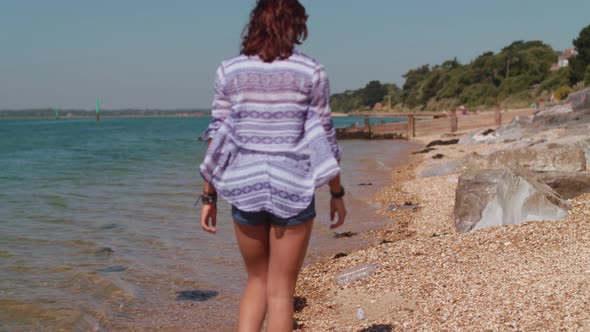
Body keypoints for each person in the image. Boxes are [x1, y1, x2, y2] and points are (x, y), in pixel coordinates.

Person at [198, 1, 346, 331]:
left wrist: (209, 197)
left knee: (256, 282)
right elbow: (324, 139)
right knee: (281, 292)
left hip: (244, 186)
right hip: (293, 187)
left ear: (255, 24)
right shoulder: (311, 72)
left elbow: (217, 136)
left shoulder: (229, 71)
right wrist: (337, 193)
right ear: (296, 26)